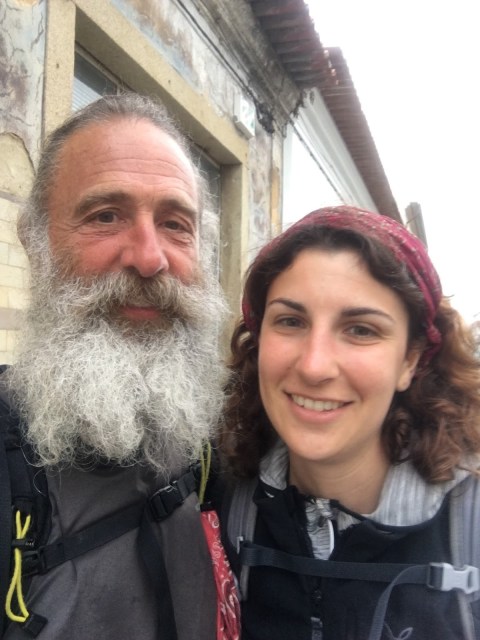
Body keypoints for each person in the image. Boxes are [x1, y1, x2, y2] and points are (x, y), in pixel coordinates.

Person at [0, 93, 239, 639]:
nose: (150, 258)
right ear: (34, 242)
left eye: (176, 224)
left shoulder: (220, 440)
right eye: (105, 216)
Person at [219, 205, 480, 640]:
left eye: (361, 330)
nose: (315, 366)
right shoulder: (224, 505)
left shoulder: (469, 526)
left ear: (410, 360)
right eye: (290, 321)